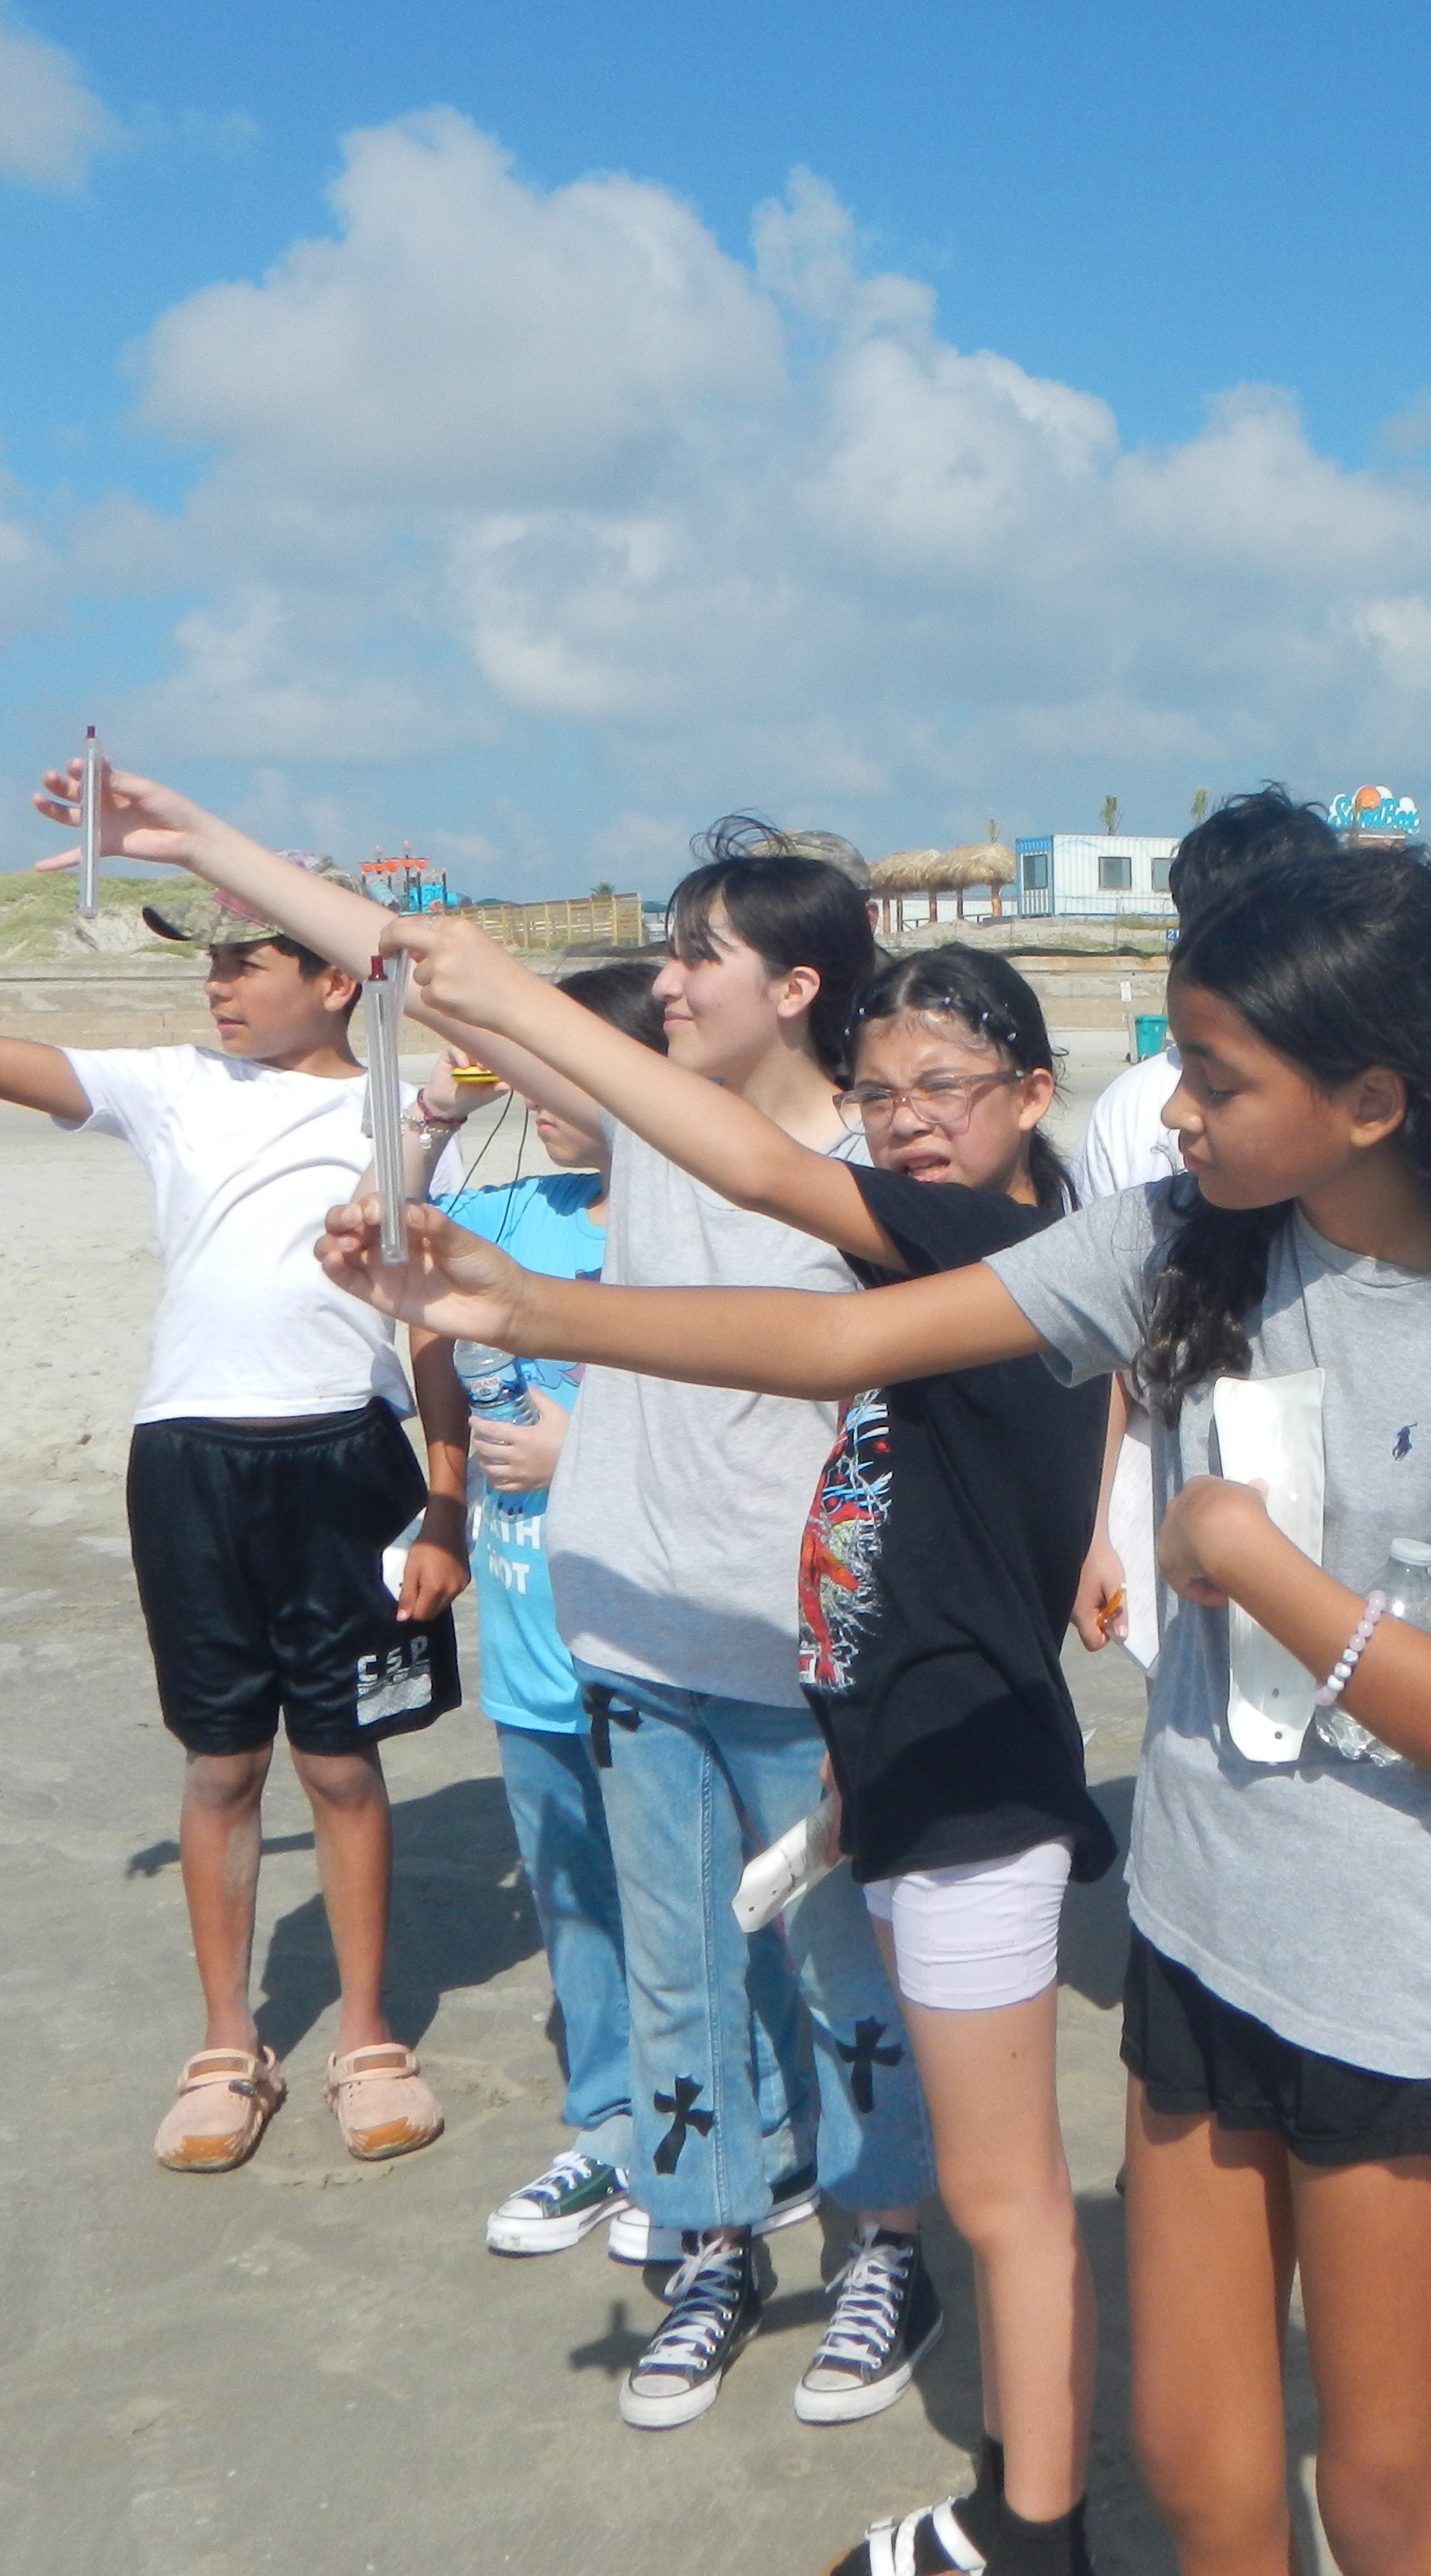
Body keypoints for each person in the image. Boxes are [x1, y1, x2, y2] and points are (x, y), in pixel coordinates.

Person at [318, 843, 1431, 2576]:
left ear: (1370, 1101)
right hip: (1200, 1935)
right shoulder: (1184, 1245)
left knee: (1386, 2495)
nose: (1173, 1112)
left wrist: (1255, 1567)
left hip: (1390, 1985)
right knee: (1196, 2465)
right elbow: (845, 1343)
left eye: (1218, 1080)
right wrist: (523, 1305)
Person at [46, 775, 930, 2425]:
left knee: (838, 1972)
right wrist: (209, 848)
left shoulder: (870, 1171)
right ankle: (711, 2238)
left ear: (798, 987)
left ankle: (885, 2241)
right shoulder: (655, 1120)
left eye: (700, 957)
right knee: (675, 1972)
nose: (667, 982)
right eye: (667, 954)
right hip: (633, 1639)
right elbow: (430, 969)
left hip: (799, 1658)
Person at [382, 920, 1116, 2576]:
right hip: (862, 1713)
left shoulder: (997, 1246)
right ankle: (1001, 2489)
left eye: (944, 1088)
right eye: (885, 1094)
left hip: (957, 1761)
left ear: (1029, 1092)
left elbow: (789, 1254)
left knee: (991, 2178)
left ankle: (1018, 2499)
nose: (907, 1120)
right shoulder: (958, 1241)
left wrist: (532, 1278)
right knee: (793, 2041)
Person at [0, 838, 471, 2172]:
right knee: (222, 1762)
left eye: (244, 959)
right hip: (189, 1459)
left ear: (333, 979)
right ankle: (228, 2041)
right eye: (208, 962)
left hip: (348, 1459)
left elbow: (431, 1322)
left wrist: (446, 1503)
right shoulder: (170, 1087)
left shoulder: (404, 1109)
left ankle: (366, 2032)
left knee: (342, 1761)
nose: (216, 984)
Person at [422, 963, 679, 2258]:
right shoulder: (512, 1208)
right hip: (528, 1643)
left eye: (560, 1066)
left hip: (649, 1645)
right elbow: (373, 1235)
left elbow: (747, 1416)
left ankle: (698, 2140)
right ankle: (608, 2122)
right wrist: (430, 1117)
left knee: (678, 1905)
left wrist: (586, 1450)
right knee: (574, 1899)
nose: (533, 1092)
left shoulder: (686, 1232)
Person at [1071, 786, 1341, 1678]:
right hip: (1173, 1458)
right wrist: (1093, 1525)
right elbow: (1104, 1339)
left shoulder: (1356, 1101)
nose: (1185, 1117)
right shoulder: (1136, 1106)